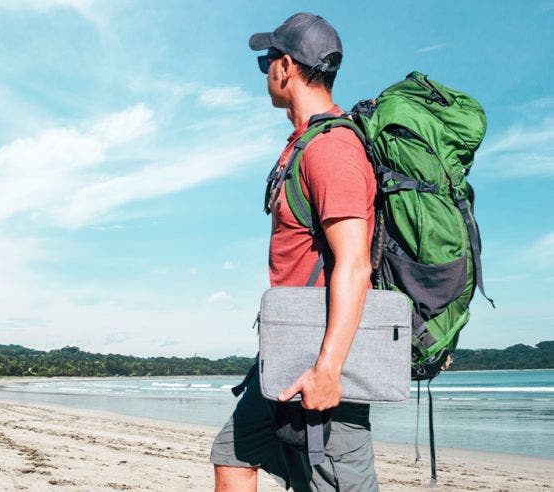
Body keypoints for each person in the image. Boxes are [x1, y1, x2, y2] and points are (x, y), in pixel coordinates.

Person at [210, 13, 378, 491]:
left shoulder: (333, 149)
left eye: (267, 60)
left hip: (324, 360)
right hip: (287, 354)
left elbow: (355, 262)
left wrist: (328, 370)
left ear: (285, 67)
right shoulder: (305, 143)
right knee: (235, 451)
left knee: (334, 479)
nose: (265, 71)